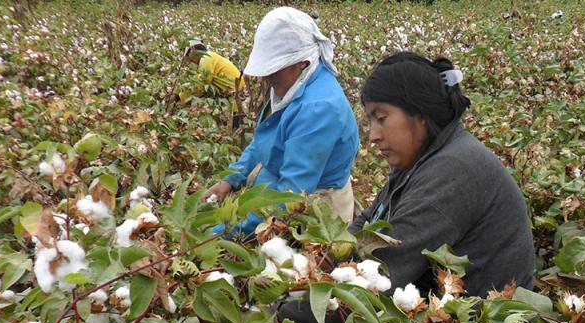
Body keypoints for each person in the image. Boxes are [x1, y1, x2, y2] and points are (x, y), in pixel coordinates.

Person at [350, 51, 535, 299]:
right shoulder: (422, 158)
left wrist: (283, 314)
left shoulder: (454, 170)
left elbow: (380, 275)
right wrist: (328, 253)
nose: (372, 135)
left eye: (381, 119)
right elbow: (370, 220)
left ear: (421, 116)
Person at [203, 7, 359, 237]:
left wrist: (223, 235)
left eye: (274, 69)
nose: (267, 76)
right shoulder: (290, 85)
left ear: (302, 63)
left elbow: (290, 197)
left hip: (314, 215)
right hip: (275, 193)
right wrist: (231, 178)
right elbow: (263, 140)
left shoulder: (318, 109)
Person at [180, 40, 244, 102]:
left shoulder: (206, 58)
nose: (193, 62)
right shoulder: (211, 56)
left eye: (191, 60)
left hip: (238, 95)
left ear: (193, 49)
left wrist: (179, 97)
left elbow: (202, 84)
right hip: (239, 92)